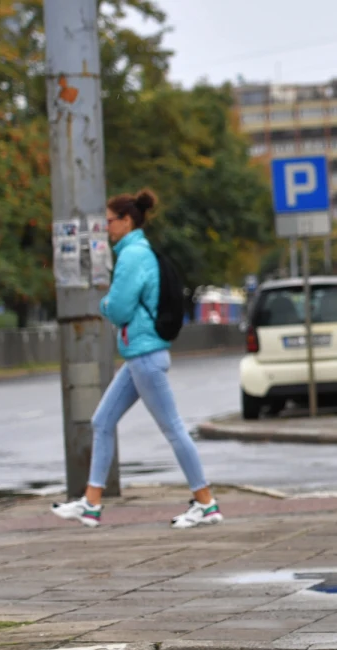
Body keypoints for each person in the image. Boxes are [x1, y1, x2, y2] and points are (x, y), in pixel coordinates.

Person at [51, 189, 223, 530]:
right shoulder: (137, 252)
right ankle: (91, 504)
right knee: (102, 421)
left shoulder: (133, 256)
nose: (106, 228)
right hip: (139, 355)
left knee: (173, 428)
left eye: (109, 221)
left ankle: (205, 502)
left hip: (145, 355)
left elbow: (118, 307)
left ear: (127, 221)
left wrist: (103, 306)